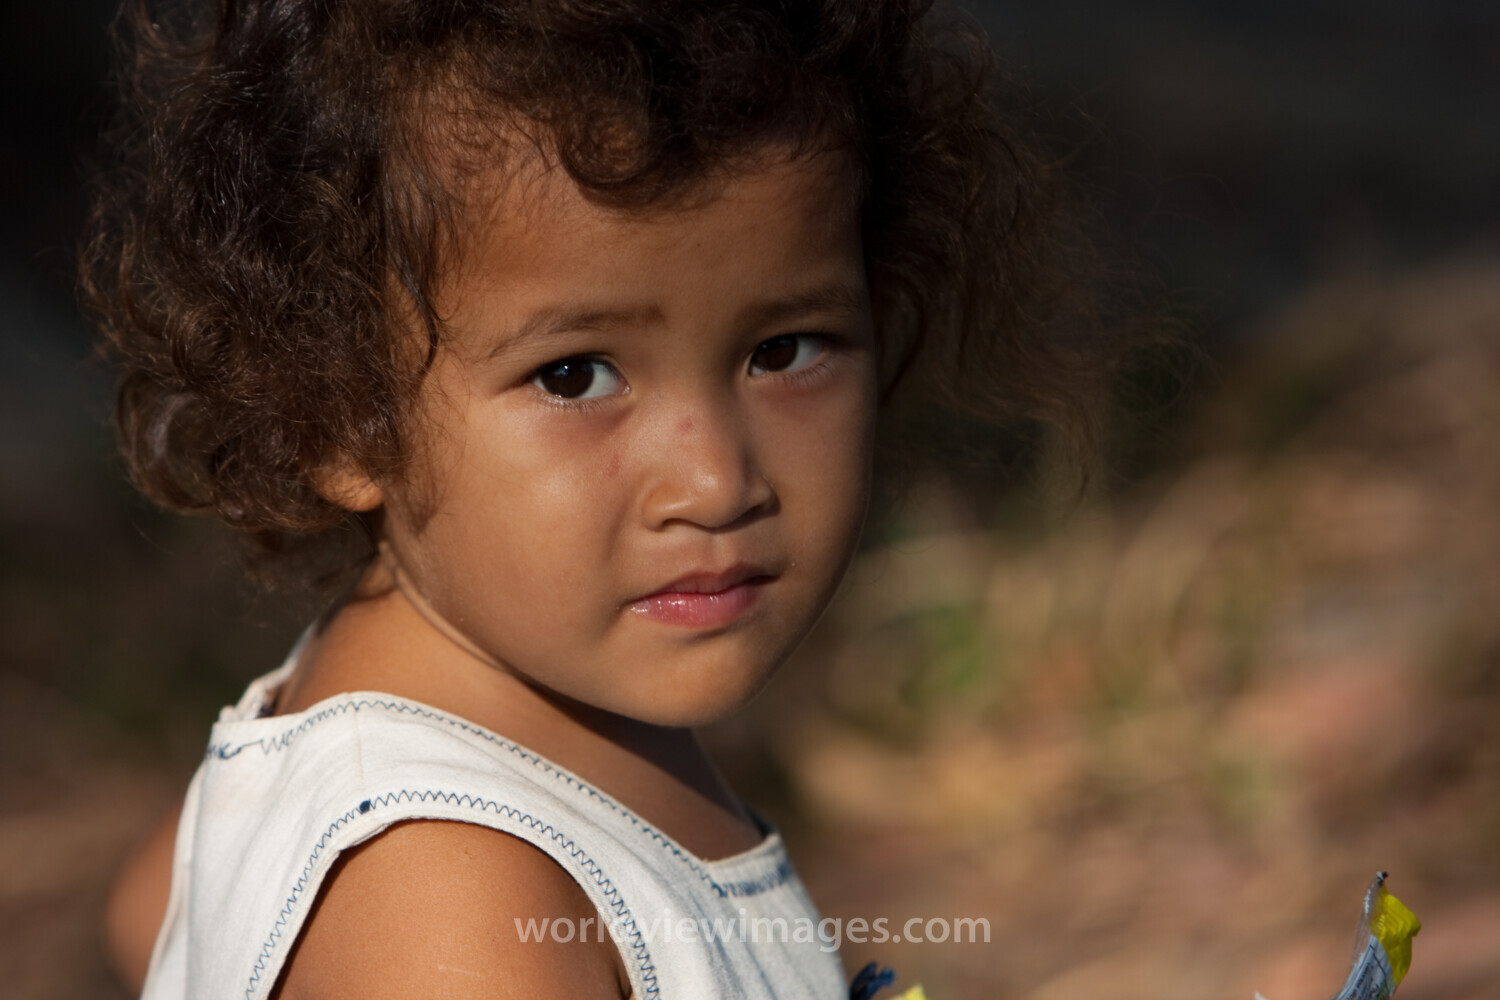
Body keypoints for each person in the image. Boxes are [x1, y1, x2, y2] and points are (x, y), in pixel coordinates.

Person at [82, 1, 1139, 997]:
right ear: (338, 413)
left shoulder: (496, 728)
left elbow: (154, 907)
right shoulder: (457, 914)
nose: (717, 481)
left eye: (783, 350)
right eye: (576, 376)